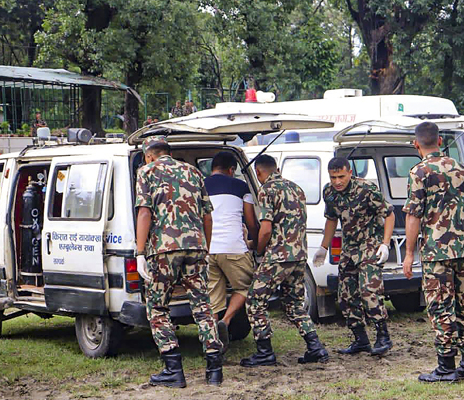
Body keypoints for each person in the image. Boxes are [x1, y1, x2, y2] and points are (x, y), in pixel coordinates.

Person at [134, 137, 223, 388]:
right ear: (169, 153)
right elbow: (208, 216)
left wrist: (140, 252)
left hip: (163, 250)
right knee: (203, 307)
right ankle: (214, 370)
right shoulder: (193, 171)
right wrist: (205, 246)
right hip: (196, 247)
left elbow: (144, 212)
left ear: (149, 155)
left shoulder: (146, 171)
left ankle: (173, 369)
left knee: (158, 308)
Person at [402, 121, 464, 383]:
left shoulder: (419, 172)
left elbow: (413, 216)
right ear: (439, 141)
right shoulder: (461, 169)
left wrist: (409, 253)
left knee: (440, 307)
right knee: (463, 304)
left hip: (436, 252)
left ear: (417, 144)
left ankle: (446, 366)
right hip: (461, 250)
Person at [240, 154, 329, 367]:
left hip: (278, 256)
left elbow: (266, 228)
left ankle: (264, 351)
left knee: (254, 300)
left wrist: (258, 249)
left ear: (259, 172)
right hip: (299, 256)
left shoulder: (267, 190)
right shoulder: (296, 189)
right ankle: (315, 347)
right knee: (294, 304)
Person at [313, 157, 395, 356]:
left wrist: (385, 244)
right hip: (349, 249)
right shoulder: (329, 192)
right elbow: (332, 219)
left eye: (341, 176)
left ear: (350, 172)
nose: (337, 181)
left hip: (370, 246)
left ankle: (383, 336)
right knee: (345, 296)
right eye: (333, 177)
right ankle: (361, 339)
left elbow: (389, 214)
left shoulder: (366, 189)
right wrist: (323, 247)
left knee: (369, 291)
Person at [204, 151, 259, 353]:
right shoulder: (241, 187)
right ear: (231, 170)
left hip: (209, 249)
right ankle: (225, 322)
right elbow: (251, 221)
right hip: (234, 248)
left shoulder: (201, 185)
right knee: (246, 287)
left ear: (212, 169)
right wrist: (254, 240)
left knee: (212, 298)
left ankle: (212, 341)